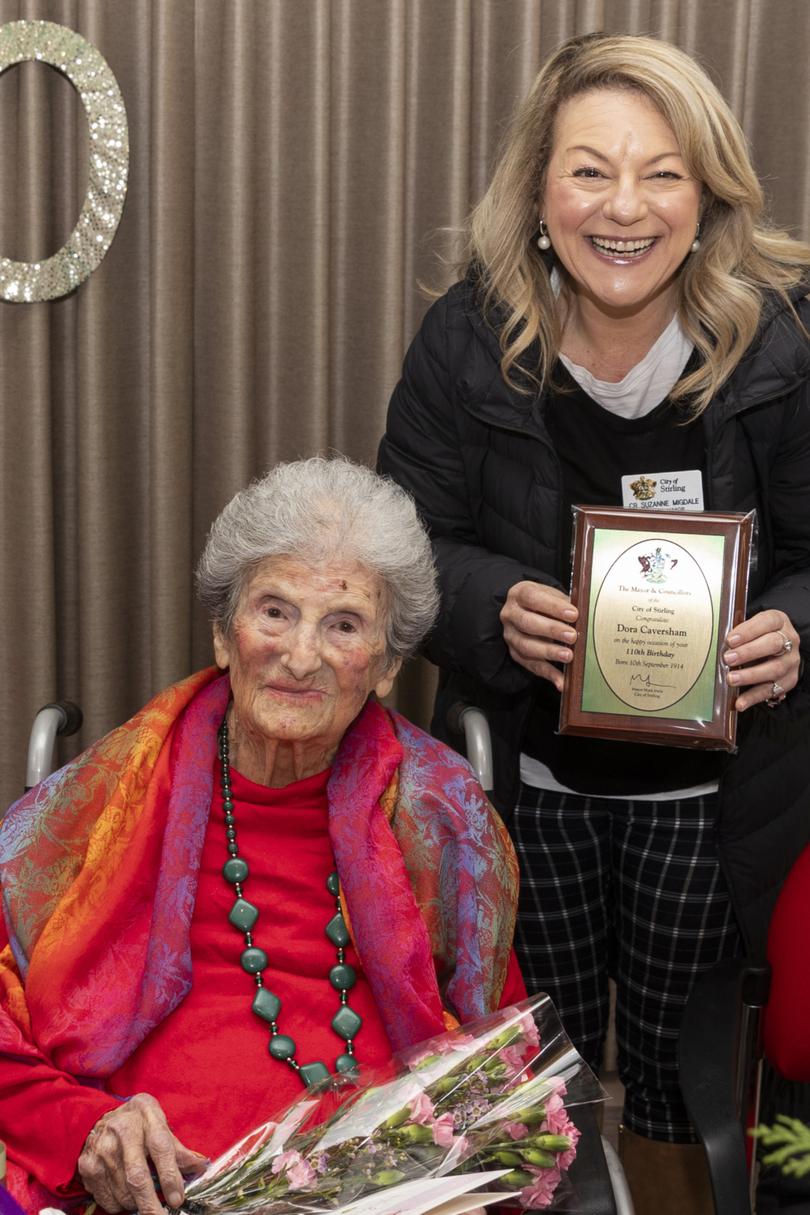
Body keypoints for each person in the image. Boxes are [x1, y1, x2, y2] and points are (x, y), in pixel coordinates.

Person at [378, 31, 810, 1215]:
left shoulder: (782, 338)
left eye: (662, 171)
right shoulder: (468, 340)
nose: (625, 206)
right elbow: (400, 547)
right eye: (590, 169)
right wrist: (486, 607)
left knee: (686, 1092)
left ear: (707, 191)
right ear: (538, 190)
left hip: (715, 811)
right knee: (536, 1089)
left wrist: (792, 624)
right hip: (526, 793)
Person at [0, 457, 524, 1215]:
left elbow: (493, 1044)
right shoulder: (107, 797)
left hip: (374, 1182)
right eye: (274, 611)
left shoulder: (442, 818)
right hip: (152, 1186)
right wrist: (86, 1125)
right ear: (223, 633)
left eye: (343, 624)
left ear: (384, 666)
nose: (301, 654)